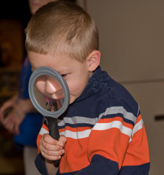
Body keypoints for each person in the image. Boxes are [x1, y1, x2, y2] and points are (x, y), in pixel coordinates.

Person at [25, 1, 150, 175]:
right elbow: (52, 171)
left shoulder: (114, 105)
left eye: (61, 76)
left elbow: (103, 169)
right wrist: (49, 156)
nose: (50, 87)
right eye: (41, 76)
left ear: (90, 62)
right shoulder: (55, 104)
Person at [0, 1, 68, 175]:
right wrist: (15, 101)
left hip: (46, 134)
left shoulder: (58, 34)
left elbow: (61, 88)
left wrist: (24, 107)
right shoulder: (37, 33)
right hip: (30, 133)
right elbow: (38, 82)